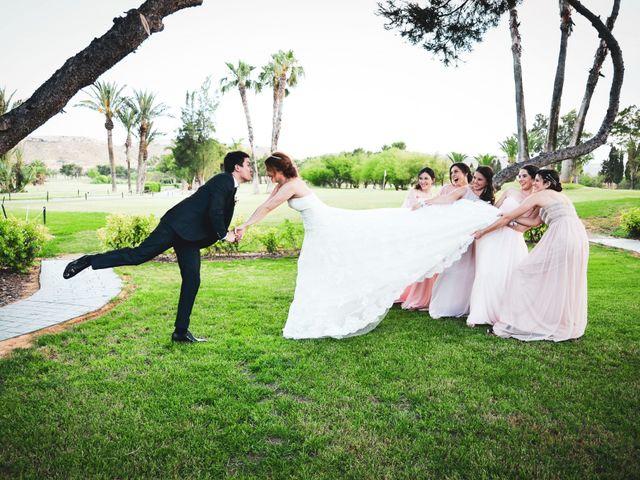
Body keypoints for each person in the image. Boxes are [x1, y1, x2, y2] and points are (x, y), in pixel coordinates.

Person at [234, 153, 499, 339]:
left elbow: (269, 206)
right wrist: (246, 223)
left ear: (278, 170)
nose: (268, 176)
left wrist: (245, 226)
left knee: (343, 255)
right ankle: (317, 311)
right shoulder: (285, 183)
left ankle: (324, 314)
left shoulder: (292, 184)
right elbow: (267, 202)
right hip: (317, 231)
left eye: (270, 171)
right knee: (312, 269)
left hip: (326, 227)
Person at [62, 151, 254, 343]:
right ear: (237, 167)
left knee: (192, 280)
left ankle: (180, 332)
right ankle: (89, 260)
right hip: (175, 226)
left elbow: (213, 212)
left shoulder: (230, 185)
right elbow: (215, 211)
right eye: (248, 164)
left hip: (189, 237)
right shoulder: (224, 180)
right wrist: (223, 235)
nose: (251, 168)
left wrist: (229, 231)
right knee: (138, 256)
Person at [473, 169, 589, 341]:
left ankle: (521, 321)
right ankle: (553, 320)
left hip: (561, 235)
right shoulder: (561, 197)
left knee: (523, 272)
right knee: (561, 278)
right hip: (579, 236)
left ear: (547, 184)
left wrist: (483, 231)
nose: (534, 184)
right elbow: (534, 222)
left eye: (537, 181)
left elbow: (510, 218)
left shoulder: (539, 196)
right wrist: (510, 219)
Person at [466, 165, 539, 327]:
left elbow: (523, 227)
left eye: (524, 176)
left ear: (534, 179)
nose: (520, 179)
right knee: (486, 273)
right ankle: (480, 313)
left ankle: (503, 313)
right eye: (519, 176)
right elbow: (493, 211)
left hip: (512, 241)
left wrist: (507, 222)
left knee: (506, 277)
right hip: (492, 237)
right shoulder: (510, 191)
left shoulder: (535, 200)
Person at [420, 166, 496, 319]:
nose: (475, 181)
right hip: (460, 238)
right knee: (452, 270)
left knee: (469, 272)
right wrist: (425, 203)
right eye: (474, 177)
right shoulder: (465, 190)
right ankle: (443, 306)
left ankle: (463, 306)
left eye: (479, 179)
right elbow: (446, 199)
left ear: (487, 182)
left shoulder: (490, 197)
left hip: (476, 241)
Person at [397, 167, 438, 310]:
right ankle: (411, 294)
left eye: (426, 178)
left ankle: (428, 295)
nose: (422, 181)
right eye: (421, 178)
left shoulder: (436, 194)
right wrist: (427, 203)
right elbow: (414, 207)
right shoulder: (414, 192)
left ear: (433, 180)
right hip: (415, 232)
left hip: (429, 233)